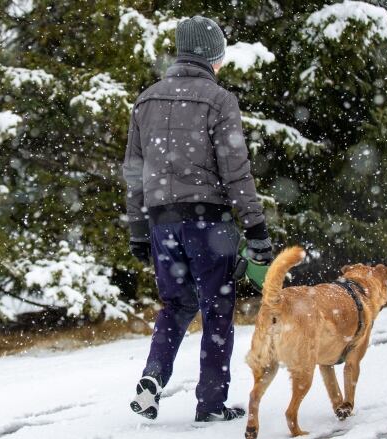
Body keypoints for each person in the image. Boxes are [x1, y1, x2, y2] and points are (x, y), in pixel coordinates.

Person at [123, 15, 273, 422]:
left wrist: (139, 231)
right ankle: (210, 405)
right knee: (216, 309)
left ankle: (153, 377)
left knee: (175, 305)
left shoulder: (146, 99)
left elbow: (133, 173)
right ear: (212, 56)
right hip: (209, 224)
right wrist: (256, 230)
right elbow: (236, 172)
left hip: (161, 224)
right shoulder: (219, 100)